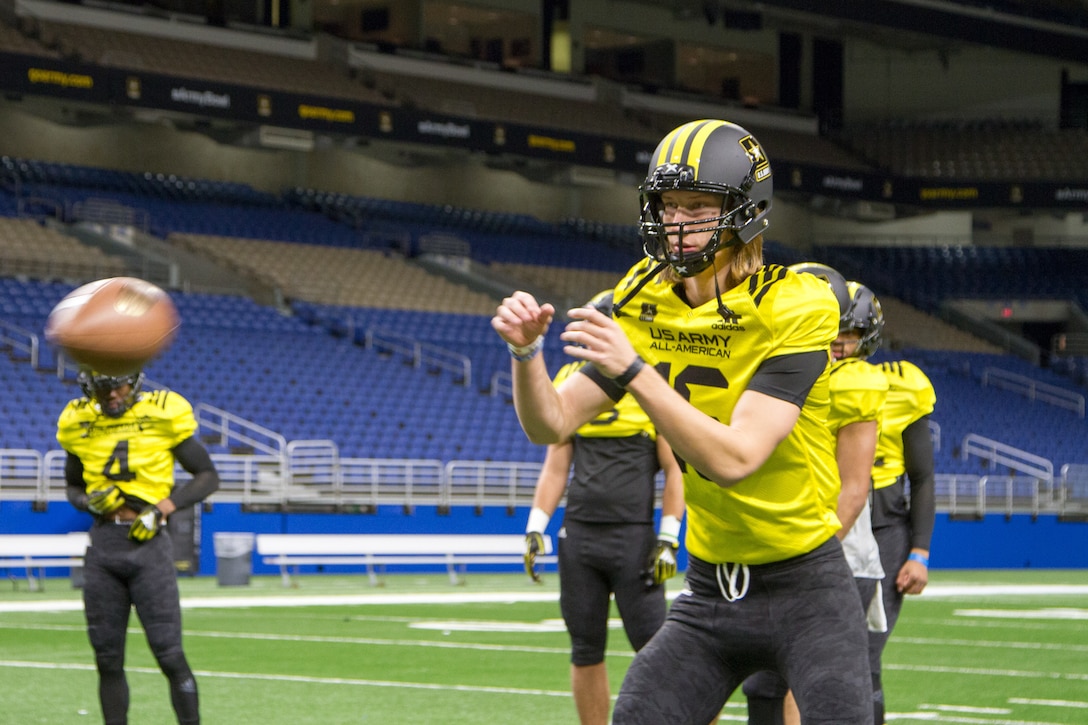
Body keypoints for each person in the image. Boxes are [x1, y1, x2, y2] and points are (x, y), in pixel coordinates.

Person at [493, 118, 873, 725]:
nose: (678, 220)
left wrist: (637, 371)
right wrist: (524, 355)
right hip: (709, 591)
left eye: (698, 205)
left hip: (806, 587)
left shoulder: (793, 304)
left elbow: (736, 458)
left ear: (746, 210)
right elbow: (553, 424)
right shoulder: (644, 294)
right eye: (669, 205)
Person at [523, 289, 685, 725]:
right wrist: (536, 524)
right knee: (585, 647)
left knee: (660, 652)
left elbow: (675, 469)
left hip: (633, 538)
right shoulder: (572, 379)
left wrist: (669, 537)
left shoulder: (654, 380)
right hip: (580, 537)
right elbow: (556, 466)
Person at [742, 266, 890, 725]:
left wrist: (810, 554)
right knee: (762, 684)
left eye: (844, 333)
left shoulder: (855, 383)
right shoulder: (778, 371)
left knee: (821, 686)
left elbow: (853, 489)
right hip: (772, 544)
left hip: (830, 550)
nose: (835, 342)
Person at [58, 368, 220, 725]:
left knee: (169, 654)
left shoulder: (161, 414)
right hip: (103, 546)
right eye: (103, 392)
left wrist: (164, 508)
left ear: (133, 384)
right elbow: (72, 487)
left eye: (118, 387)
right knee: (107, 657)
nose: (112, 397)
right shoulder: (79, 421)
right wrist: (87, 503)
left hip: (148, 546)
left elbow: (208, 476)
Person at [868, 329, 937, 725]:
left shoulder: (900, 387)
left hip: (883, 531)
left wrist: (919, 552)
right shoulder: (799, 376)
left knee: (864, 658)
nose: (841, 342)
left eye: (851, 332)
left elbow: (923, 477)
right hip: (816, 529)